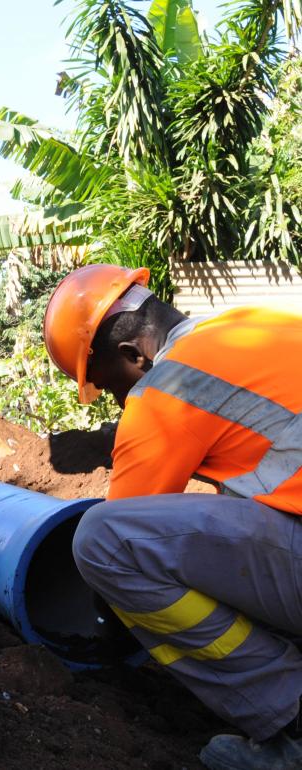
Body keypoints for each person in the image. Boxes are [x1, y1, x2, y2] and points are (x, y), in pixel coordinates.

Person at [42, 263, 302, 770]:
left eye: (110, 386)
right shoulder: (256, 324)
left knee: (102, 540)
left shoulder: (165, 390)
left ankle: (290, 716)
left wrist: (106, 634)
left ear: (132, 355)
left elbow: (123, 547)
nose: (120, 403)